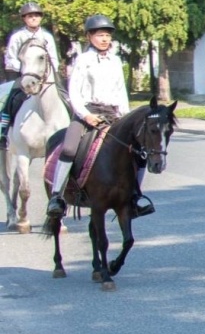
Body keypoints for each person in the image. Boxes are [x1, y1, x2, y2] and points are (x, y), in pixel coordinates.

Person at [45, 15, 153, 220]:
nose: (104, 39)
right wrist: (86, 115)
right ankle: (57, 196)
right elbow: (74, 91)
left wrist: (124, 117)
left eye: (107, 35)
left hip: (112, 114)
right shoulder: (83, 60)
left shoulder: (115, 61)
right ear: (89, 37)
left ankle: (135, 196)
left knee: (138, 152)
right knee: (69, 148)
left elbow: (120, 91)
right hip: (87, 112)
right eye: (99, 35)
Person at [1, 2, 60, 146]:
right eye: (30, 16)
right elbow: (10, 59)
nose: (33, 18)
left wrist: (50, 73)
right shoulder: (18, 37)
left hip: (44, 75)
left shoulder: (47, 37)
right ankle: (3, 132)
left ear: (41, 18)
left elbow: (53, 58)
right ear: (24, 19)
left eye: (36, 16)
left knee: (65, 97)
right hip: (23, 75)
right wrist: (26, 70)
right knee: (11, 99)